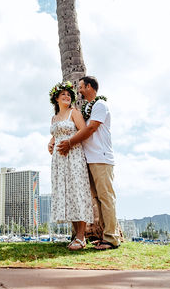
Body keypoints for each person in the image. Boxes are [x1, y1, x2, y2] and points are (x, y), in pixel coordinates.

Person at [57, 75, 120, 250]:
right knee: (98, 199)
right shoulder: (88, 108)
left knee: (106, 197)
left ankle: (112, 238)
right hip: (89, 159)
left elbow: (91, 128)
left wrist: (70, 143)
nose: (79, 90)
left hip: (101, 157)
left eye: (81, 87)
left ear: (90, 87)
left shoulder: (100, 105)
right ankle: (104, 236)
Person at [46, 83, 94, 250]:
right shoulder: (54, 118)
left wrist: (69, 143)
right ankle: (77, 236)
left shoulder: (74, 113)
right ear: (56, 98)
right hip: (59, 161)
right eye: (63, 94)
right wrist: (51, 144)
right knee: (68, 196)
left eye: (69, 94)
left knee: (77, 192)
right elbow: (55, 136)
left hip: (73, 156)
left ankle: (81, 237)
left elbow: (84, 131)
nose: (67, 97)